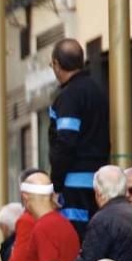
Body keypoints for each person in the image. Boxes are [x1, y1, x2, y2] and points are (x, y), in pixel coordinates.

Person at [47, 38, 110, 238]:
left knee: (76, 239)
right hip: (99, 182)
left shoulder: (68, 97)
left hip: (74, 184)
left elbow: (65, 141)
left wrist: (56, 184)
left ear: (57, 64)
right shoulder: (97, 91)